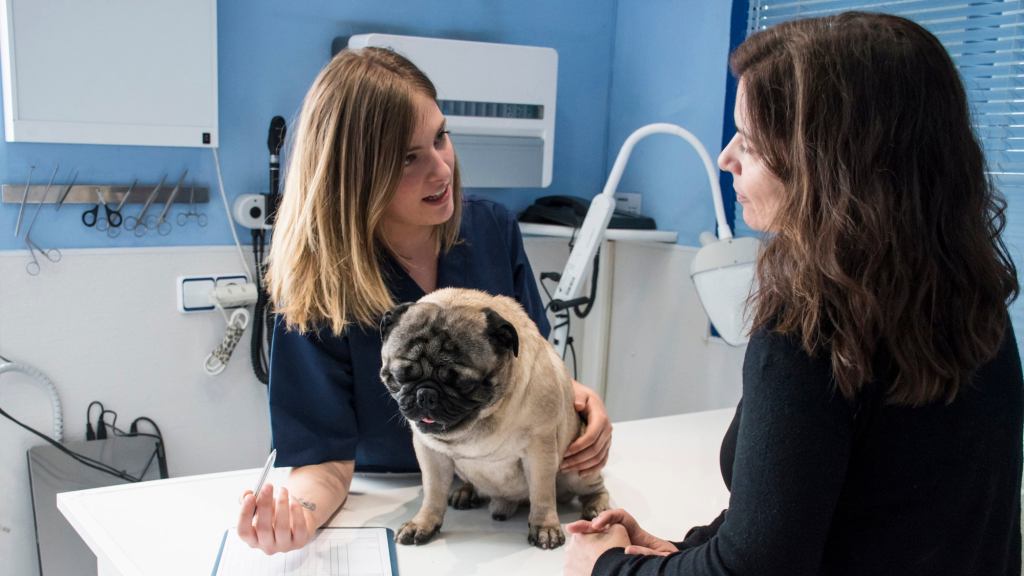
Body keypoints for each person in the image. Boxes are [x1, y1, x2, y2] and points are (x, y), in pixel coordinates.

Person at [565, 11, 1022, 576]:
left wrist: (605, 566)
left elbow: (754, 571)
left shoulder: (813, 323)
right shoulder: (970, 299)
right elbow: (842, 519)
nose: (725, 158)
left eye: (751, 144)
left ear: (827, 166)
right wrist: (681, 554)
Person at [235, 47, 613, 554]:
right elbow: (322, 461)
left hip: (506, 499)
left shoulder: (491, 229)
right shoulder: (318, 286)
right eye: (408, 159)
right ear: (355, 176)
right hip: (389, 502)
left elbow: (533, 363)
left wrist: (581, 401)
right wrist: (297, 516)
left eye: (441, 137)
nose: (441, 170)